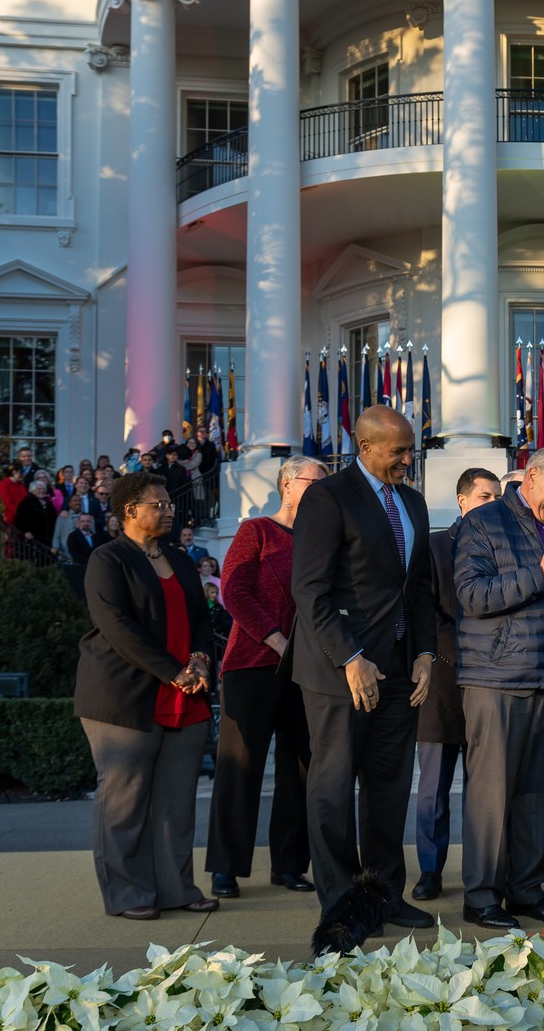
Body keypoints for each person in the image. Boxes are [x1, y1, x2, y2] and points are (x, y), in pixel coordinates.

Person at [291, 404, 441, 947]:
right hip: (339, 672)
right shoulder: (328, 497)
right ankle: (339, 904)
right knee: (331, 788)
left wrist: (427, 652)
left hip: (400, 670)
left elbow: (420, 587)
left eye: (410, 450)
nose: (407, 460)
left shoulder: (414, 502)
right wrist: (350, 658)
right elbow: (309, 589)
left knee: (389, 787)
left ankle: (382, 894)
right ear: (365, 445)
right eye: (398, 450)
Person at [452, 445, 544, 931]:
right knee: (491, 796)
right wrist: (537, 575)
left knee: (542, 795)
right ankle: (481, 897)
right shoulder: (484, 523)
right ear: (531, 478)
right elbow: (472, 596)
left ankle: (526, 890)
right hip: (495, 679)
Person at [71, 470, 218, 920]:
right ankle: (128, 893)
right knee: (125, 799)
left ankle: (177, 889)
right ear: (131, 511)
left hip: (184, 694)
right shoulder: (108, 559)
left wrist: (199, 660)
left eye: (170, 504)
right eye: (160, 504)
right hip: (125, 696)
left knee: (176, 801)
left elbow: (202, 618)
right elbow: (117, 628)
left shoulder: (179, 558)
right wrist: (173, 672)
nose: (170, 509)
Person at [206, 454, 324, 900]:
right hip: (252, 666)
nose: (322, 488)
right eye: (316, 480)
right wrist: (276, 639)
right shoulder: (255, 530)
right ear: (289, 484)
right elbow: (232, 590)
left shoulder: (322, 538)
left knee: (301, 769)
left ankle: (290, 866)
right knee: (241, 768)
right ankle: (225, 869)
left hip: (307, 671)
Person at [413, 467, 499, 901]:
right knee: (432, 788)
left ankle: (480, 873)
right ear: (462, 500)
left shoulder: (503, 547)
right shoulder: (433, 545)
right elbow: (422, 609)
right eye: (484, 496)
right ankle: (430, 870)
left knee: (484, 789)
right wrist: (454, 652)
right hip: (442, 679)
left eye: (497, 497)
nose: (492, 503)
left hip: (491, 683)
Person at [16, 475, 58, 547]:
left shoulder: (48, 503)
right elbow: (19, 519)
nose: (42, 491)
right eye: (39, 489)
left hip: (48, 540)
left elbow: (54, 518)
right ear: (32, 490)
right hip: (32, 539)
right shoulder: (27, 502)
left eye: (43, 489)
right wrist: (26, 531)